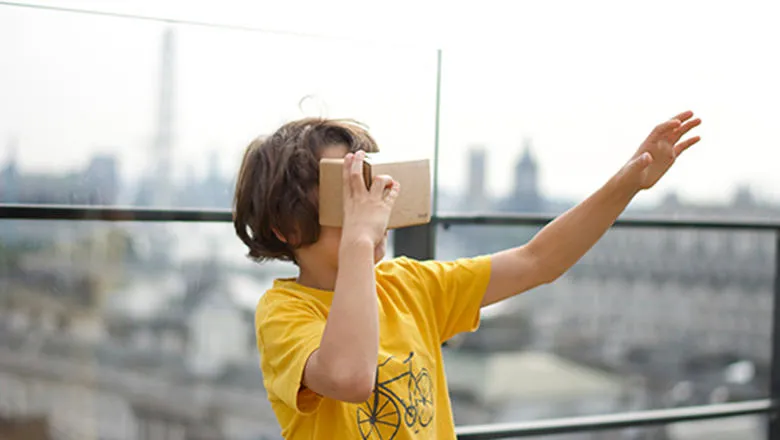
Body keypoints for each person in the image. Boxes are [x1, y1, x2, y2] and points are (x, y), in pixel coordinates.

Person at [232, 112, 701, 439]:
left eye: (370, 183)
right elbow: (351, 377)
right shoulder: (283, 314)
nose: (369, 205)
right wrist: (359, 240)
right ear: (287, 227)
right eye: (346, 192)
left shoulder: (409, 286)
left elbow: (539, 261)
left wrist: (627, 183)